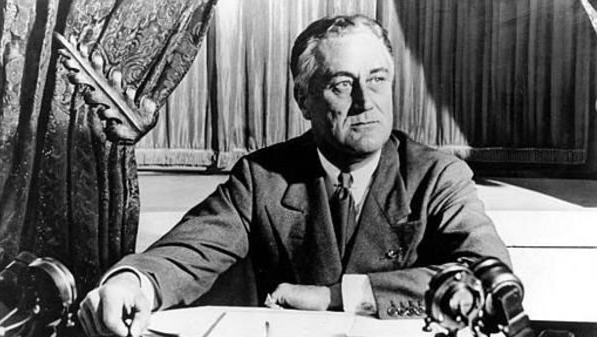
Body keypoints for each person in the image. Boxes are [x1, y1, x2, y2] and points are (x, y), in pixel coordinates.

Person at [77, 14, 510, 337]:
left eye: (377, 80)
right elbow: (187, 251)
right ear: (303, 99)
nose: (366, 101)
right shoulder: (262, 178)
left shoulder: (438, 176)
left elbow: (489, 279)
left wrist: (336, 297)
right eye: (342, 85)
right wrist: (134, 281)